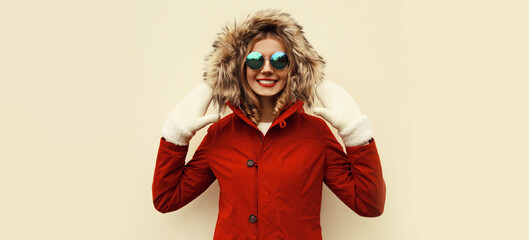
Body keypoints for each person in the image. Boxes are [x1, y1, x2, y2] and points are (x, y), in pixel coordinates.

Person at [152, 9, 386, 239]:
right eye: (254, 60)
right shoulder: (220, 135)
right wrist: (177, 135)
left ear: (293, 68)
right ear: (240, 68)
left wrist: (356, 135)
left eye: (279, 60)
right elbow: (167, 199)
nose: (266, 69)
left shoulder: (316, 133)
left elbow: (369, 205)